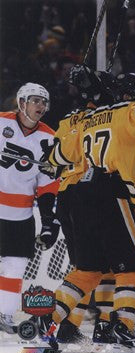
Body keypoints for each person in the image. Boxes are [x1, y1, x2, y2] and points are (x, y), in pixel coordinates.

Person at [38, 65, 135, 353]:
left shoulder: (88, 118)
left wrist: (48, 155)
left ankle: (47, 320)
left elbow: (61, 155)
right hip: (112, 192)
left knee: (88, 271)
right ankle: (123, 328)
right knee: (132, 268)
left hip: (82, 195)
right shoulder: (126, 115)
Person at [0, 83, 60, 334]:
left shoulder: (49, 138)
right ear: (21, 102)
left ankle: (4, 315)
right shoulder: (1, 123)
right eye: (35, 100)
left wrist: (48, 221)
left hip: (21, 215)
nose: (40, 106)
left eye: (44, 102)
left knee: (15, 265)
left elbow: (47, 184)